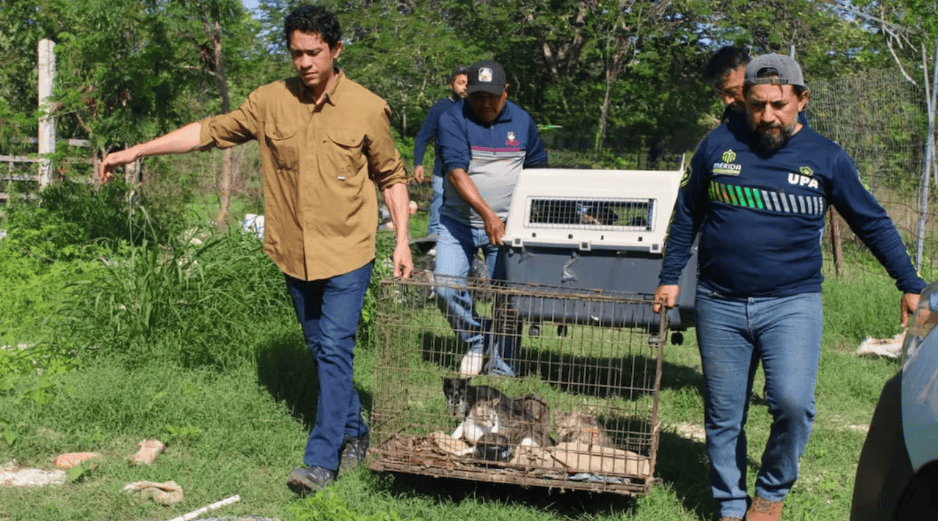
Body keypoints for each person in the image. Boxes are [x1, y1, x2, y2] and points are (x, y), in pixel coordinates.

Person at [99, 5, 413, 495]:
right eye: (296, 53)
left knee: (333, 347)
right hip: (292, 249)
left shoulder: (366, 107)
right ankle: (356, 431)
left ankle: (321, 461)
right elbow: (207, 132)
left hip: (350, 249)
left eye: (314, 53)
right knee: (319, 348)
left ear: (335, 51)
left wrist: (404, 242)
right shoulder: (269, 101)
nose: (305, 63)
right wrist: (137, 150)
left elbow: (392, 175)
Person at [654, 53, 924, 521]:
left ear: (801, 99)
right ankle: (732, 505)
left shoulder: (825, 156)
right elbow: (686, 217)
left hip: (791, 303)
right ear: (743, 102)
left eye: (778, 104)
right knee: (723, 413)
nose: (767, 116)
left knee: (793, 404)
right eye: (756, 105)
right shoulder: (718, 145)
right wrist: (669, 277)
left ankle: (771, 495)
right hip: (719, 302)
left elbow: (872, 222)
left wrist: (910, 282)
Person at [435, 59, 547, 377]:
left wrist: (528, 217)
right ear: (466, 91)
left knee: (508, 295)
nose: (485, 104)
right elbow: (456, 173)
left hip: (509, 225)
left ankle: (502, 367)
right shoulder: (452, 119)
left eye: (492, 97)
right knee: (445, 286)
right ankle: (477, 339)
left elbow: (537, 166)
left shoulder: (523, 121)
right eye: (477, 96)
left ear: (506, 92)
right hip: (458, 222)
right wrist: (487, 214)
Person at [413, 65, 469, 240]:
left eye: (468, 83)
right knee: (438, 210)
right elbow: (423, 136)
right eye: (460, 83)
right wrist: (418, 163)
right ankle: (433, 248)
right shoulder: (439, 109)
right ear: (452, 84)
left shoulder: (476, 109)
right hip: (442, 171)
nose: (465, 87)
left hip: (469, 171)